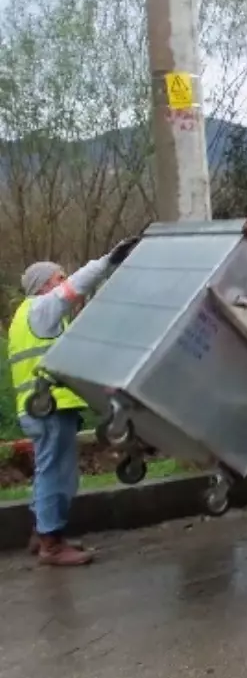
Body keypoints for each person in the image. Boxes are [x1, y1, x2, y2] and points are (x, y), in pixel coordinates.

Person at [8, 237, 140, 566]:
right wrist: (109, 261)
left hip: (43, 408)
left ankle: (43, 534)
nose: (63, 283)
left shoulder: (29, 317)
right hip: (48, 408)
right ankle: (52, 544)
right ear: (42, 286)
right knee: (58, 475)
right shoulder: (42, 309)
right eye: (57, 278)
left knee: (47, 471)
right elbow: (78, 286)